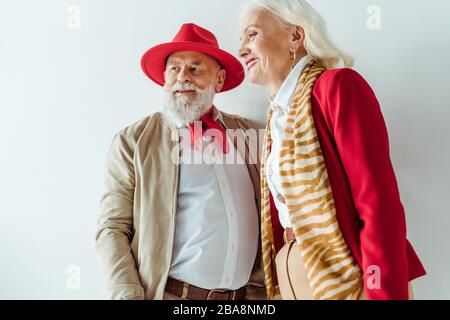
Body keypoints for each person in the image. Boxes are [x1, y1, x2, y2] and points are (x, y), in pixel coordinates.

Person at [238, 0, 426, 300]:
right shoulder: (276, 116)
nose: (242, 50)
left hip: (350, 277)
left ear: (295, 37)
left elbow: (377, 201)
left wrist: (384, 293)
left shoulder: (337, 86)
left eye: (252, 35)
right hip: (295, 282)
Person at [96, 23, 265, 300]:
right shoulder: (133, 141)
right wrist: (126, 295)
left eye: (195, 68)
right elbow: (112, 228)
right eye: (174, 68)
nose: (182, 77)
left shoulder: (249, 135)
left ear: (219, 80)